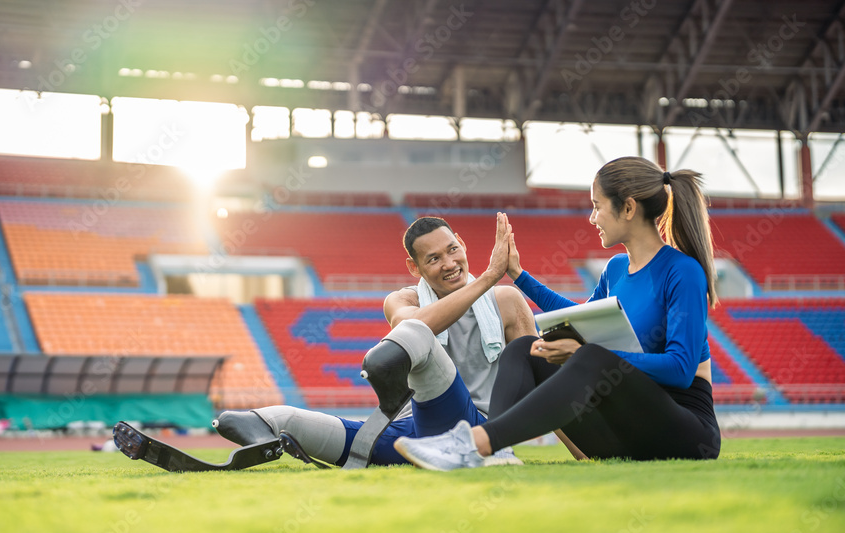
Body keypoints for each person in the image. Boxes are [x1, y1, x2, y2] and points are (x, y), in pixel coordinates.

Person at [393, 156, 722, 470]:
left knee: (591, 355)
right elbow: (581, 318)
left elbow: (680, 369)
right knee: (526, 348)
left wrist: (586, 353)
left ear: (628, 208)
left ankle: (473, 443)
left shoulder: (682, 272)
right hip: (626, 430)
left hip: (683, 431)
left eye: (597, 206)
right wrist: (519, 275)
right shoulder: (617, 268)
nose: (592, 218)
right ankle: (497, 449)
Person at [214, 213, 537, 466]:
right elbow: (414, 326)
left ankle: (486, 451)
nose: (450, 263)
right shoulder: (401, 300)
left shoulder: (505, 299)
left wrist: (581, 450)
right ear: (415, 267)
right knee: (280, 421)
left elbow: (540, 376)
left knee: (414, 336)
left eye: (452, 249)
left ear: (463, 245)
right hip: (417, 432)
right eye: (434, 258)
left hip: (476, 430)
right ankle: (262, 423)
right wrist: (488, 277)